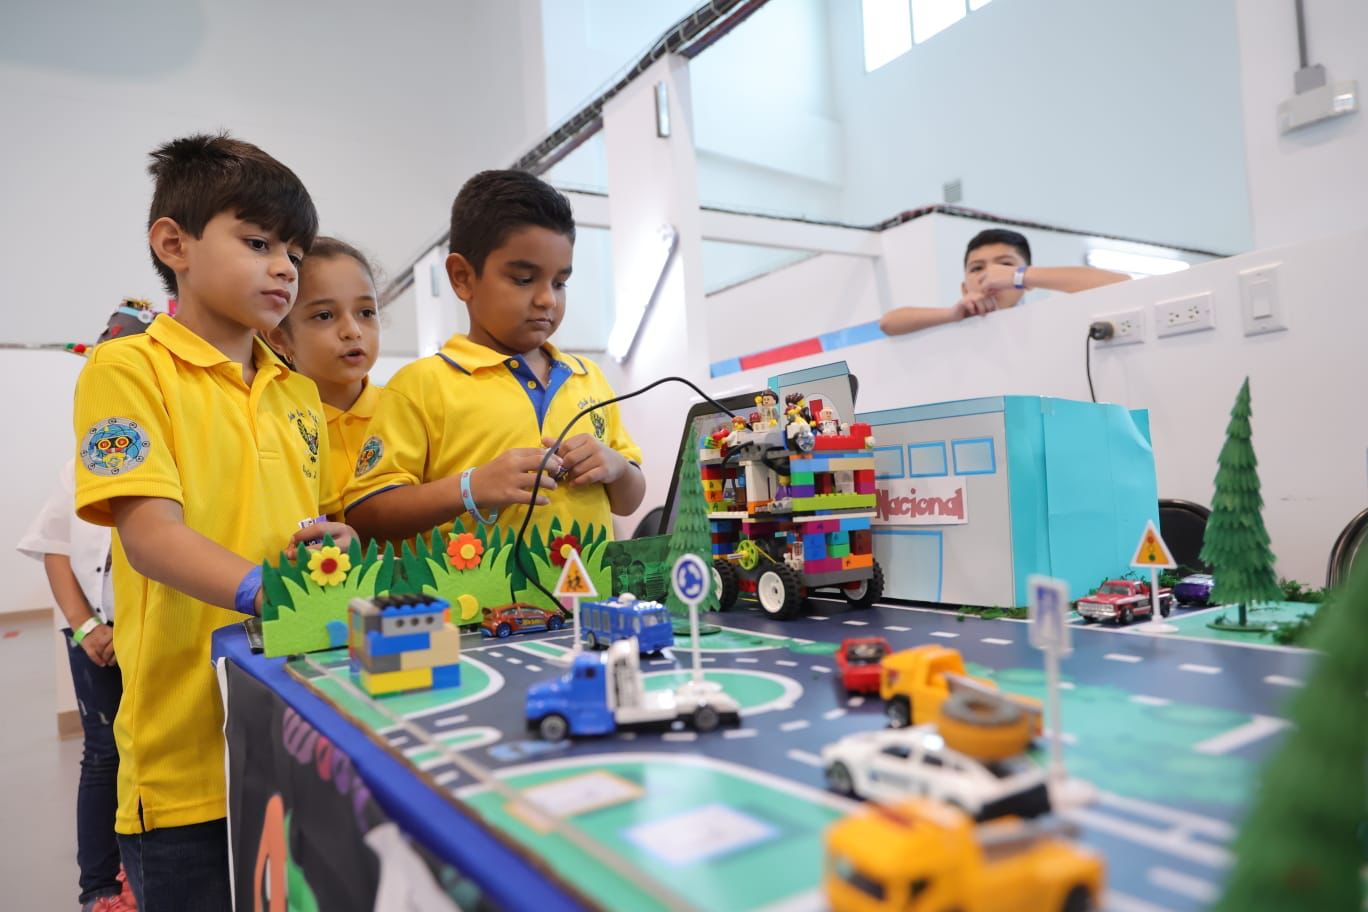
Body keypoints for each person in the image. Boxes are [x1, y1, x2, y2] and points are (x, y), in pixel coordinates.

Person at [71, 133, 353, 910]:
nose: (284, 268)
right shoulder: (128, 368)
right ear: (175, 244)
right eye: (258, 241)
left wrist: (336, 544)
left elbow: (320, 522)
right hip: (186, 768)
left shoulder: (298, 392)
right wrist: (271, 591)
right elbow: (150, 536)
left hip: (297, 726)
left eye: (293, 251)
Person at [344, 169, 644, 546]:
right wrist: (470, 488)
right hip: (475, 606)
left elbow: (629, 501)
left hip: (590, 601)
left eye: (559, 282)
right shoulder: (421, 386)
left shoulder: (589, 378)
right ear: (462, 277)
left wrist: (618, 470)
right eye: (523, 279)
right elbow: (367, 515)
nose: (547, 299)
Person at [18, 305, 154, 912]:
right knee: (104, 756)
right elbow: (54, 552)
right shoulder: (80, 468)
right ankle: (99, 886)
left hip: (155, 636)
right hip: (97, 640)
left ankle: (139, 873)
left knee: (150, 755)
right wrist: (87, 627)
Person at [264, 237, 387, 511]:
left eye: (366, 312)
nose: (352, 330)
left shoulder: (409, 411)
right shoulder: (271, 427)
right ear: (280, 339)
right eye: (324, 316)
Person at [878, 228, 1130, 336]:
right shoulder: (952, 326)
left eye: (1004, 264)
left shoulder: (1046, 318)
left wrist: (1019, 276)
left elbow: (1121, 283)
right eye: (977, 268)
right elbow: (889, 323)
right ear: (965, 287)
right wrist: (951, 315)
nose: (990, 274)